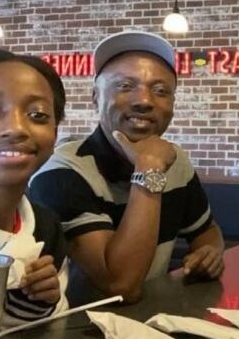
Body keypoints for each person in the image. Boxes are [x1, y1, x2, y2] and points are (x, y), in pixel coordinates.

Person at [29, 31, 225, 305]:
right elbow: (121, 286)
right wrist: (148, 169)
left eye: (160, 91)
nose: (144, 101)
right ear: (95, 98)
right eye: (125, 86)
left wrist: (210, 252)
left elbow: (206, 230)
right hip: (76, 334)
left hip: (150, 324)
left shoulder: (175, 161)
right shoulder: (61, 172)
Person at [0, 47, 69, 328]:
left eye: (38, 115)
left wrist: (42, 303)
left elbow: (51, 334)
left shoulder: (47, 228)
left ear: (55, 132)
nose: (16, 128)